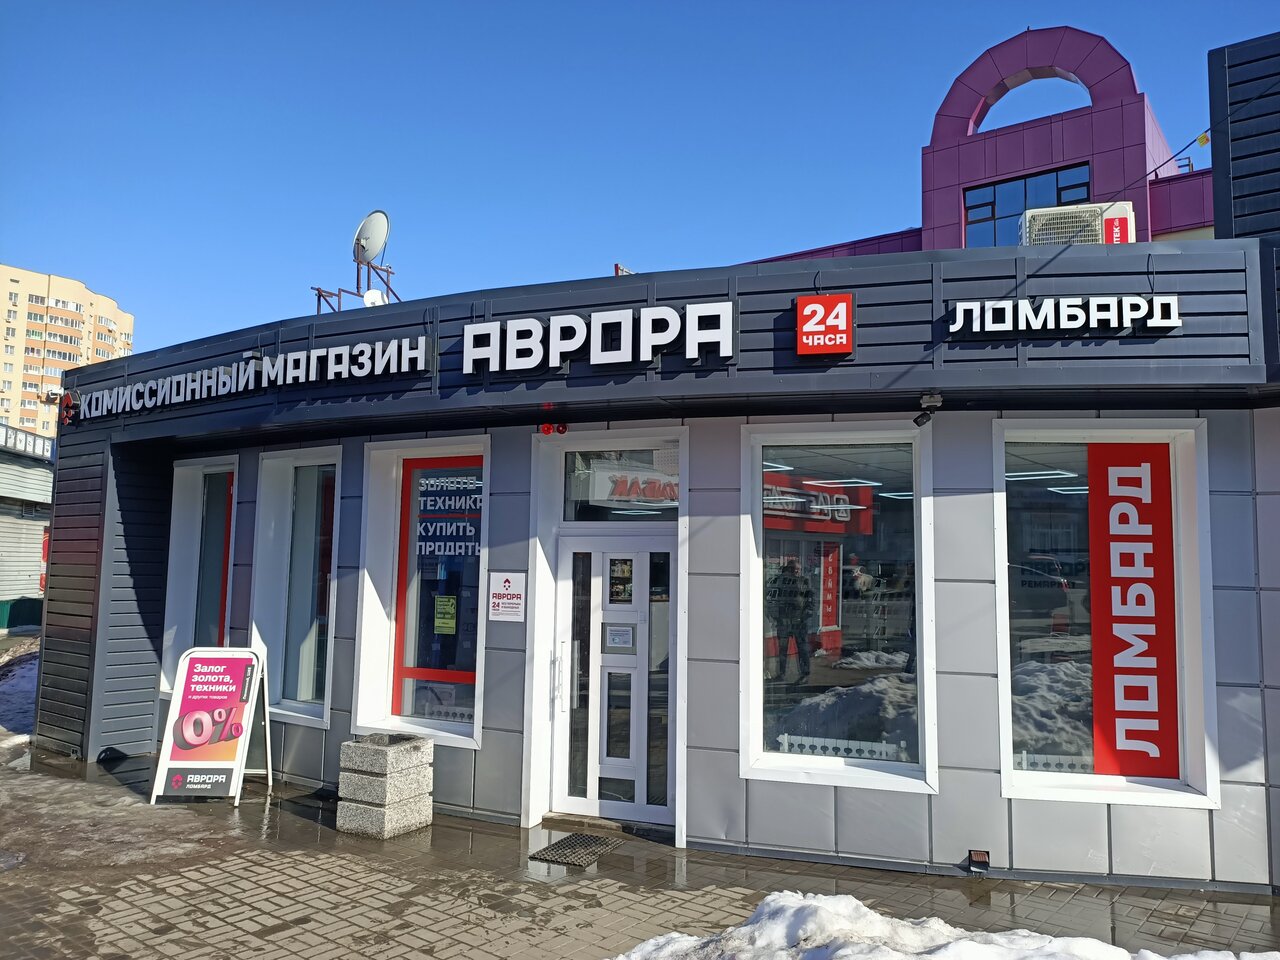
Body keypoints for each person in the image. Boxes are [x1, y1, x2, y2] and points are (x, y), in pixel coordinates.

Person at [766, 559, 813, 683]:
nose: (796, 571)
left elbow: (811, 601)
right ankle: (781, 674)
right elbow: (773, 599)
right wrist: (775, 616)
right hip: (784, 621)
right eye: (793, 569)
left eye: (798, 569)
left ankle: (805, 674)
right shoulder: (781, 582)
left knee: (802, 649)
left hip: (799, 621)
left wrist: (805, 615)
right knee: (782, 649)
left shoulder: (804, 582)